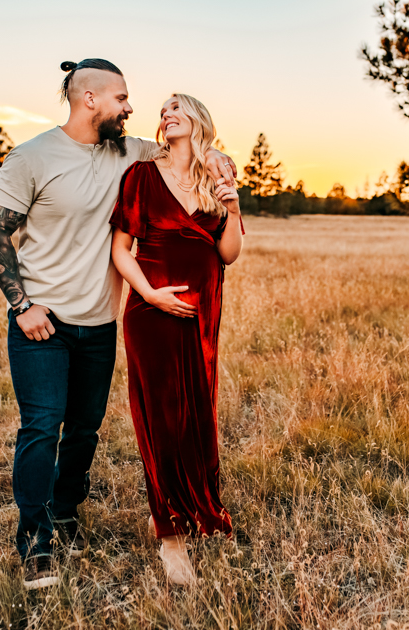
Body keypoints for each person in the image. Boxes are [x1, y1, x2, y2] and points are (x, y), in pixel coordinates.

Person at [0, 61, 236, 591]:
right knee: (41, 427)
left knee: (84, 430)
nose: (131, 107)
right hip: (43, 320)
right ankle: (35, 544)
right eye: (122, 98)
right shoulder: (31, 157)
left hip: (98, 322)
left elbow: (185, 150)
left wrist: (216, 158)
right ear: (90, 97)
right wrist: (21, 305)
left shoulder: (126, 150)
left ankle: (67, 515)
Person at [110, 93, 244, 585]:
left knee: (197, 414)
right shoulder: (142, 175)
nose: (166, 114)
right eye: (163, 109)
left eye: (177, 107)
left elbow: (228, 254)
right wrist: (149, 293)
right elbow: (121, 250)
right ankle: (169, 535)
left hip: (204, 313)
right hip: (151, 309)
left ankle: (193, 505)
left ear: (198, 120)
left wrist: (232, 206)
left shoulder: (216, 177)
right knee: (160, 417)